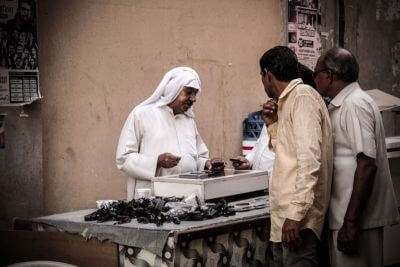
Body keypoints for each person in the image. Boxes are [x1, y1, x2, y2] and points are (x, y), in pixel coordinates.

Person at [314, 47, 400, 267]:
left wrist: (350, 222)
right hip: (347, 218)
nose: (315, 79)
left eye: (316, 74)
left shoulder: (355, 104)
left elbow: (367, 164)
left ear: (329, 75)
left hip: (355, 221)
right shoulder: (346, 103)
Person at [260, 46, 333, 266]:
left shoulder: (302, 97)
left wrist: (295, 215)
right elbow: (287, 153)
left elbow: (309, 162)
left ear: (267, 75)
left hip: (297, 221)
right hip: (286, 219)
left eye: (262, 78)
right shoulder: (289, 101)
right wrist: (272, 125)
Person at [116, 67, 220, 200]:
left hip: (187, 199)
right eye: (188, 92)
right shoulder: (142, 115)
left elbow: (197, 158)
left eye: (195, 93)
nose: (193, 99)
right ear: (173, 89)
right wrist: (156, 161)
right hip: (152, 200)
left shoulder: (188, 120)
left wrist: (207, 163)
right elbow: (123, 159)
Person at [232, 62, 319, 173]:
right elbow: (262, 143)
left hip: (279, 182)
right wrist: (248, 160)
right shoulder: (273, 111)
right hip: (261, 182)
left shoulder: (300, 111)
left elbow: (305, 158)